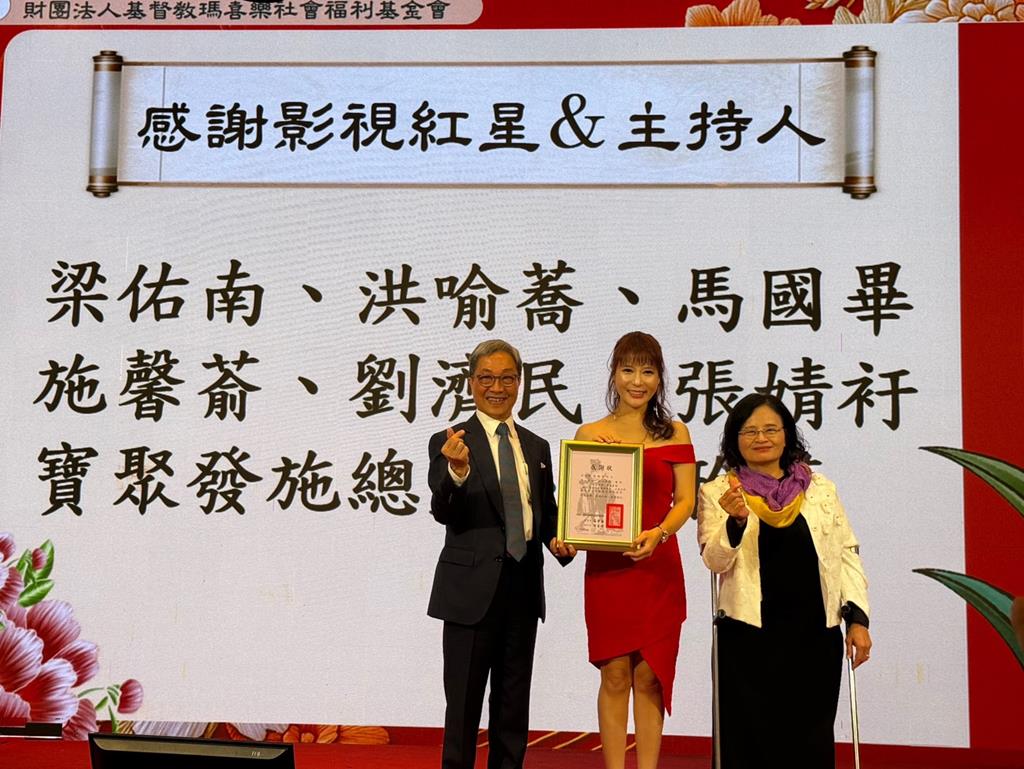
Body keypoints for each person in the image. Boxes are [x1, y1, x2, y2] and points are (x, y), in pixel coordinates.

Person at [697, 393, 872, 769]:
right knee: (749, 745)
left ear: (787, 435)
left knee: (809, 743)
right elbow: (714, 560)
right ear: (735, 439)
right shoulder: (719, 492)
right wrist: (736, 523)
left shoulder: (820, 489)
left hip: (814, 637)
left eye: (771, 429)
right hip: (747, 640)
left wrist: (858, 619)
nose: (761, 438)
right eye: (750, 431)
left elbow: (845, 553)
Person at [427, 339, 574, 769]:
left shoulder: (536, 445)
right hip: (469, 593)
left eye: (507, 378)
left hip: (522, 590)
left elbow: (544, 511)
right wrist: (457, 471)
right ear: (471, 382)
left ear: (520, 383)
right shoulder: (451, 441)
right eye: (487, 378)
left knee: (512, 710)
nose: (497, 387)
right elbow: (443, 510)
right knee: (463, 710)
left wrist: (558, 539)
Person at [570, 331, 696, 769]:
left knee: (649, 677)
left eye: (648, 371)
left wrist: (659, 533)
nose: (637, 381)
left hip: (658, 567)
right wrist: (599, 463)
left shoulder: (676, 432)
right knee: (615, 675)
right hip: (608, 569)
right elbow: (578, 505)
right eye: (628, 370)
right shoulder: (591, 433)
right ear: (614, 374)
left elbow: (686, 501)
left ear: (660, 378)